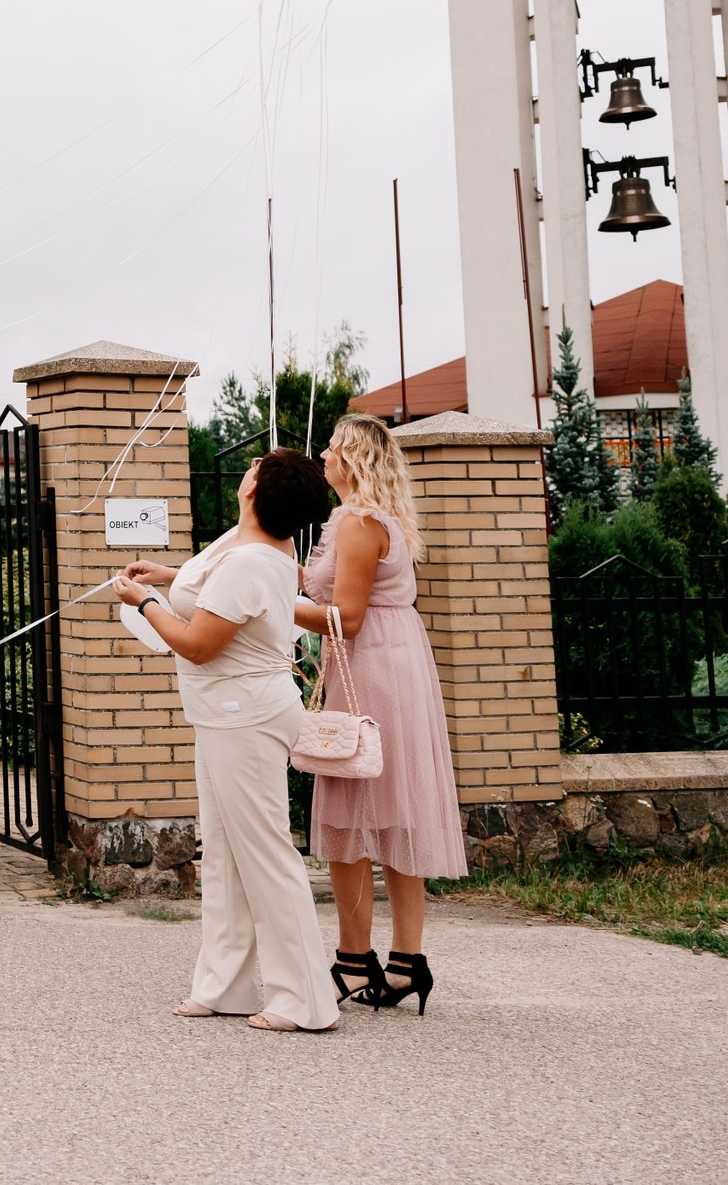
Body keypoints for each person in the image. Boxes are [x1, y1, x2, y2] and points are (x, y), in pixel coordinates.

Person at [113, 449, 340, 1032]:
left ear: (257, 490)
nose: (247, 471)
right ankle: (226, 986)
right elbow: (211, 579)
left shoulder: (254, 559)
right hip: (221, 715)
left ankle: (304, 1000)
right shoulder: (244, 543)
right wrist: (167, 576)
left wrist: (146, 603)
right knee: (223, 855)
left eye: (257, 468)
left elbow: (197, 644)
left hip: (247, 716)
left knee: (264, 853)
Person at [294, 413, 464, 1014]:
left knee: (356, 811)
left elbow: (346, 617)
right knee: (391, 813)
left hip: (372, 667)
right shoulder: (354, 520)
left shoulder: (361, 524)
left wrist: (267, 605)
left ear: (356, 460)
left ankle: (353, 958)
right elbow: (313, 584)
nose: (324, 453)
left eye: (334, 446)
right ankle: (403, 963)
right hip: (387, 663)